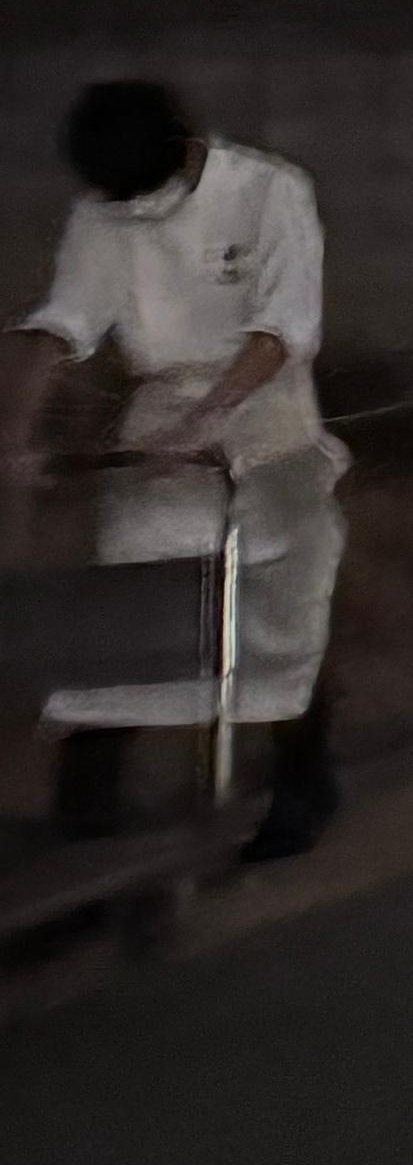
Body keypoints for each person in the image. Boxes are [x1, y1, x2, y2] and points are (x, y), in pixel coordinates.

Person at [0, 82, 348, 859]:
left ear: (188, 153)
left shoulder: (269, 191)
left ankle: (303, 781)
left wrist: (209, 422)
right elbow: (65, 321)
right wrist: (14, 434)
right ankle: (88, 806)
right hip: (160, 413)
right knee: (131, 598)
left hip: (264, 406)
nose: (135, 213)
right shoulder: (102, 213)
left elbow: (281, 330)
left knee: (277, 602)